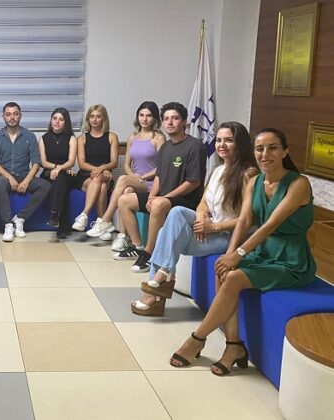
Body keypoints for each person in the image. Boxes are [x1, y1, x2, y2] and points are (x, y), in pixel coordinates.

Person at [169, 128, 316, 376]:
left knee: (234, 276)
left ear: (285, 151)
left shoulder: (299, 183)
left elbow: (270, 225)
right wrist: (229, 255)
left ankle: (197, 338)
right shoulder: (255, 182)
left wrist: (238, 254)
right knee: (224, 271)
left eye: (272, 148)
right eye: (260, 149)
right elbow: (245, 220)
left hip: (290, 260)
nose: (265, 154)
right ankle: (234, 345)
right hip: (262, 252)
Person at [130, 121, 258, 316]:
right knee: (177, 213)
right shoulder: (217, 170)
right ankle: (163, 274)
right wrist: (200, 217)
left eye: (229, 140)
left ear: (240, 144)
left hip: (229, 236)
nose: (222, 145)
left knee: (166, 233)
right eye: (219, 140)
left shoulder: (249, 174)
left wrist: (213, 227)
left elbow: (250, 219)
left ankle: (154, 292)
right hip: (209, 227)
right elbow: (203, 204)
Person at [115, 102, 206, 273]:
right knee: (124, 200)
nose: (170, 122)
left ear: (184, 122)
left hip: (186, 201)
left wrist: (164, 197)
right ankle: (137, 246)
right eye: (166, 119)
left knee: (158, 204)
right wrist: (151, 196)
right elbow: (159, 176)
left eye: (175, 118)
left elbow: (193, 182)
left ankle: (150, 254)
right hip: (164, 197)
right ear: (162, 122)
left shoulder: (195, 146)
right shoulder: (165, 147)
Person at [86, 102, 165, 248]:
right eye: (141, 115)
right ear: (137, 117)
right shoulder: (132, 137)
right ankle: (123, 237)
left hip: (152, 182)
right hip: (136, 180)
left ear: (154, 118)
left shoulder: (158, 138)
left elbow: (161, 166)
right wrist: (133, 176)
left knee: (122, 179)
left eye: (148, 116)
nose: (144, 119)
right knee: (126, 191)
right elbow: (127, 165)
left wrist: (143, 177)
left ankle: (106, 220)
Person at [0, 102, 50, 241]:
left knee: (45, 185)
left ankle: (20, 219)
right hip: (5, 176)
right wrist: (10, 178)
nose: (12, 117)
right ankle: (7, 224)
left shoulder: (29, 136)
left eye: (15, 114)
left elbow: (36, 163)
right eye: (8, 114)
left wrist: (26, 181)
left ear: (20, 116)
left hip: (24, 175)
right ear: (3, 117)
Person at [71, 104, 119, 232]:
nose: (95, 119)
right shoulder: (81, 139)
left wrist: (102, 168)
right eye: (92, 116)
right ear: (88, 119)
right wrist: (99, 170)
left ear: (104, 119)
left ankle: (84, 215)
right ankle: (103, 224)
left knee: (101, 181)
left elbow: (114, 162)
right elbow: (82, 164)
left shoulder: (112, 137)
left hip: (105, 175)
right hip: (86, 176)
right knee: (101, 186)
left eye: (98, 116)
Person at [38, 107, 78, 239]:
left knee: (61, 179)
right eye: (55, 118)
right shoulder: (43, 138)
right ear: (51, 120)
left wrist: (59, 169)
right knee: (60, 182)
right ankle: (63, 225)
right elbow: (44, 162)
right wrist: (56, 168)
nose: (57, 122)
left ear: (66, 122)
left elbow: (71, 161)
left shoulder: (71, 138)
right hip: (48, 173)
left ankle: (55, 214)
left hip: (65, 172)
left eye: (61, 119)